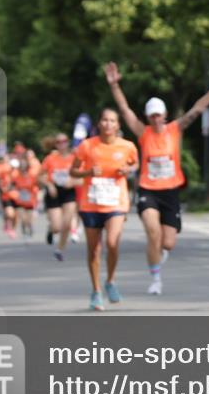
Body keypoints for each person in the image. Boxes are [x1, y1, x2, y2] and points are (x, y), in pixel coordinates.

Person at [105, 62, 209, 295]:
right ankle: (155, 278)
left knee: (167, 243)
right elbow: (125, 110)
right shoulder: (143, 133)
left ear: (164, 116)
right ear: (148, 117)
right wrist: (115, 86)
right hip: (148, 190)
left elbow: (196, 110)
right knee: (152, 233)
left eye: (159, 115)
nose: (155, 119)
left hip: (170, 191)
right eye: (152, 115)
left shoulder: (175, 129)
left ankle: (160, 254)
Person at [70, 108, 139, 311]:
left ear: (118, 125)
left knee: (112, 242)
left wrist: (128, 170)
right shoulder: (87, 146)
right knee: (94, 250)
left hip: (116, 202)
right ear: (99, 123)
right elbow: (72, 170)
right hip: (91, 202)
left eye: (112, 121)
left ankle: (110, 280)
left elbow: (135, 165)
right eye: (105, 120)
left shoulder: (127, 146)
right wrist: (88, 172)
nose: (108, 124)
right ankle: (96, 290)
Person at [41, 133, 78, 261]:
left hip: (69, 192)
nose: (62, 144)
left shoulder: (74, 158)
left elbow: (84, 177)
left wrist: (73, 182)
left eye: (64, 141)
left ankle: (60, 249)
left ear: (68, 142)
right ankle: (51, 229)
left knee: (67, 223)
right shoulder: (50, 158)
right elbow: (40, 176)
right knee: (57, 227)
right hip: (54, 192)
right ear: (55, 144)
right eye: (59, 142)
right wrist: (49, 185)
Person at [10, 159, 40, 241]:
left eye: (24, 166)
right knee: (23, 218)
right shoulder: (16, 177)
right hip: (19, 201)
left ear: (27, 167)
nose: (22, 168)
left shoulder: (32, 177)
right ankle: (24, 232)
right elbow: (11, 187)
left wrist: (36, 197)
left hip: (30, 201)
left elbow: (37, 188)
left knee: (28, 220)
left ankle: (30, 228)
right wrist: (14, 192)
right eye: (21, 167)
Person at [0, 154, 19, 239]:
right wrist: (2, 188)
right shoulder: (2, 170)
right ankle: (8, 225)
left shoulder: (18, 173)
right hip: (6, 196)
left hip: (17, 197)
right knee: (9, 213)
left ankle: (13, 229)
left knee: (15, 215)